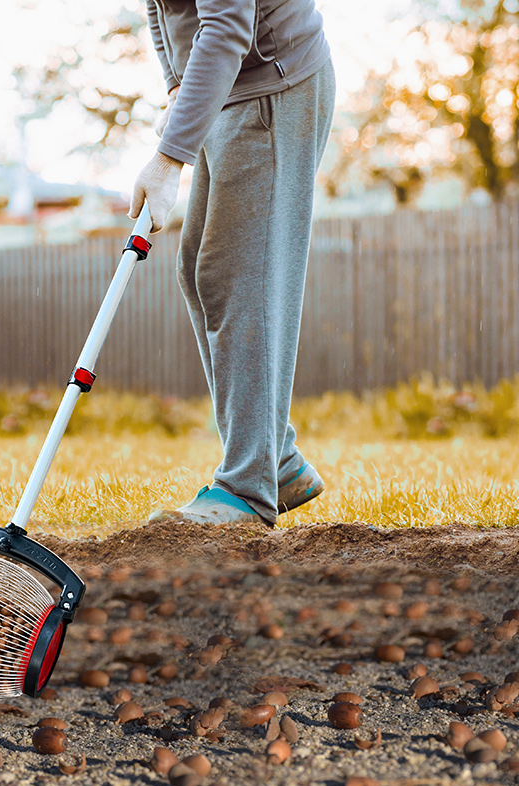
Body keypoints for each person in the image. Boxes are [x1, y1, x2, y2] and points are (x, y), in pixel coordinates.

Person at [130, 0, 335, 527]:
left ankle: (247, 486)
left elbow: (226, 23)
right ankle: (277, 461)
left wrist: (169, 158)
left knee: (241, 279)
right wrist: (177, 86)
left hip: (271, 84)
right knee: (201, 273)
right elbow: (159, 6)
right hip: (227, 90)